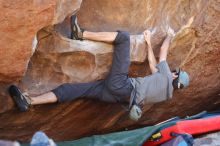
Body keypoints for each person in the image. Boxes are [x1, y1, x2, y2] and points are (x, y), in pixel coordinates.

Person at [9, 15, 190, 121]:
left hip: (122, 86)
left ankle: (80, 34)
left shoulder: (167, 76)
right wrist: (149, 43)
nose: (173, 71)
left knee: (124, 38)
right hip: (117, 98)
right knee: (72, 90)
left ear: (175, 76)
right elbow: (152, 65)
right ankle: (29, 101)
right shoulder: (165, 93)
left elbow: (163, 51)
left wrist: (170, 36)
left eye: (176, 72)